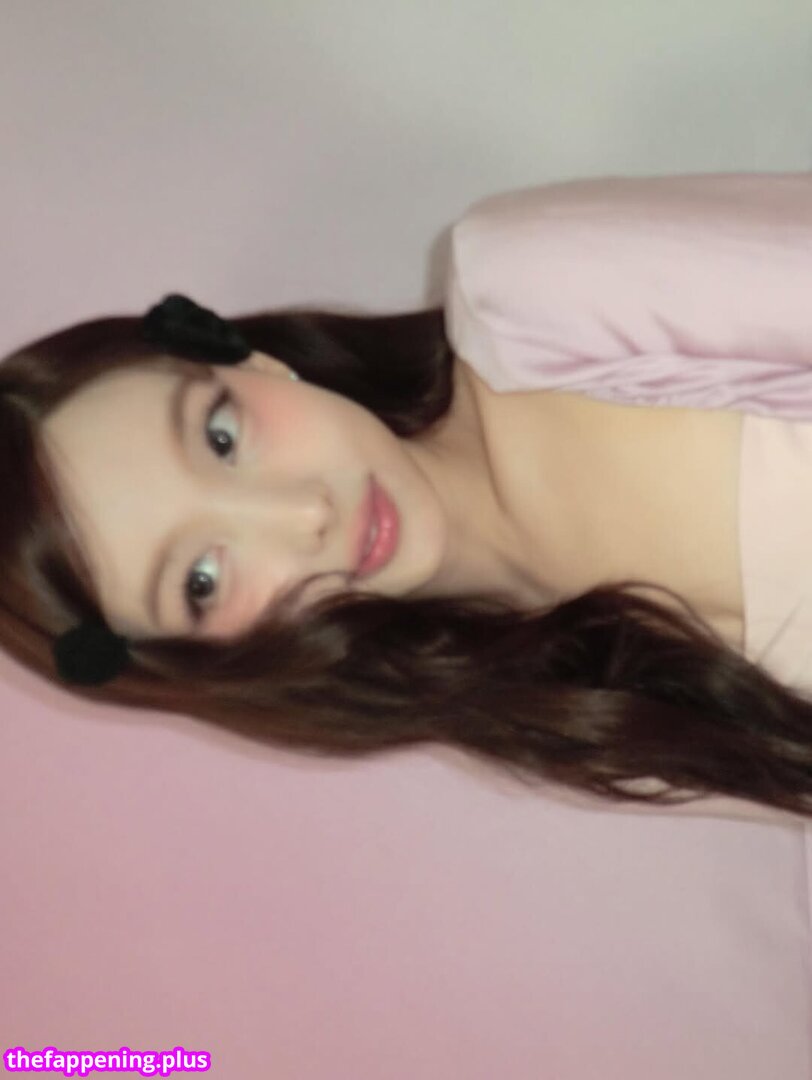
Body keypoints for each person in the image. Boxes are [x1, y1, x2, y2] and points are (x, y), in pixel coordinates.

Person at [3, 173, 812, 827]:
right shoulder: (578, 725)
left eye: (221, 438)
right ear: (207, 657)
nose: (304, 515)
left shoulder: (532, 289)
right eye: (202, 580)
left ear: (252, 363)